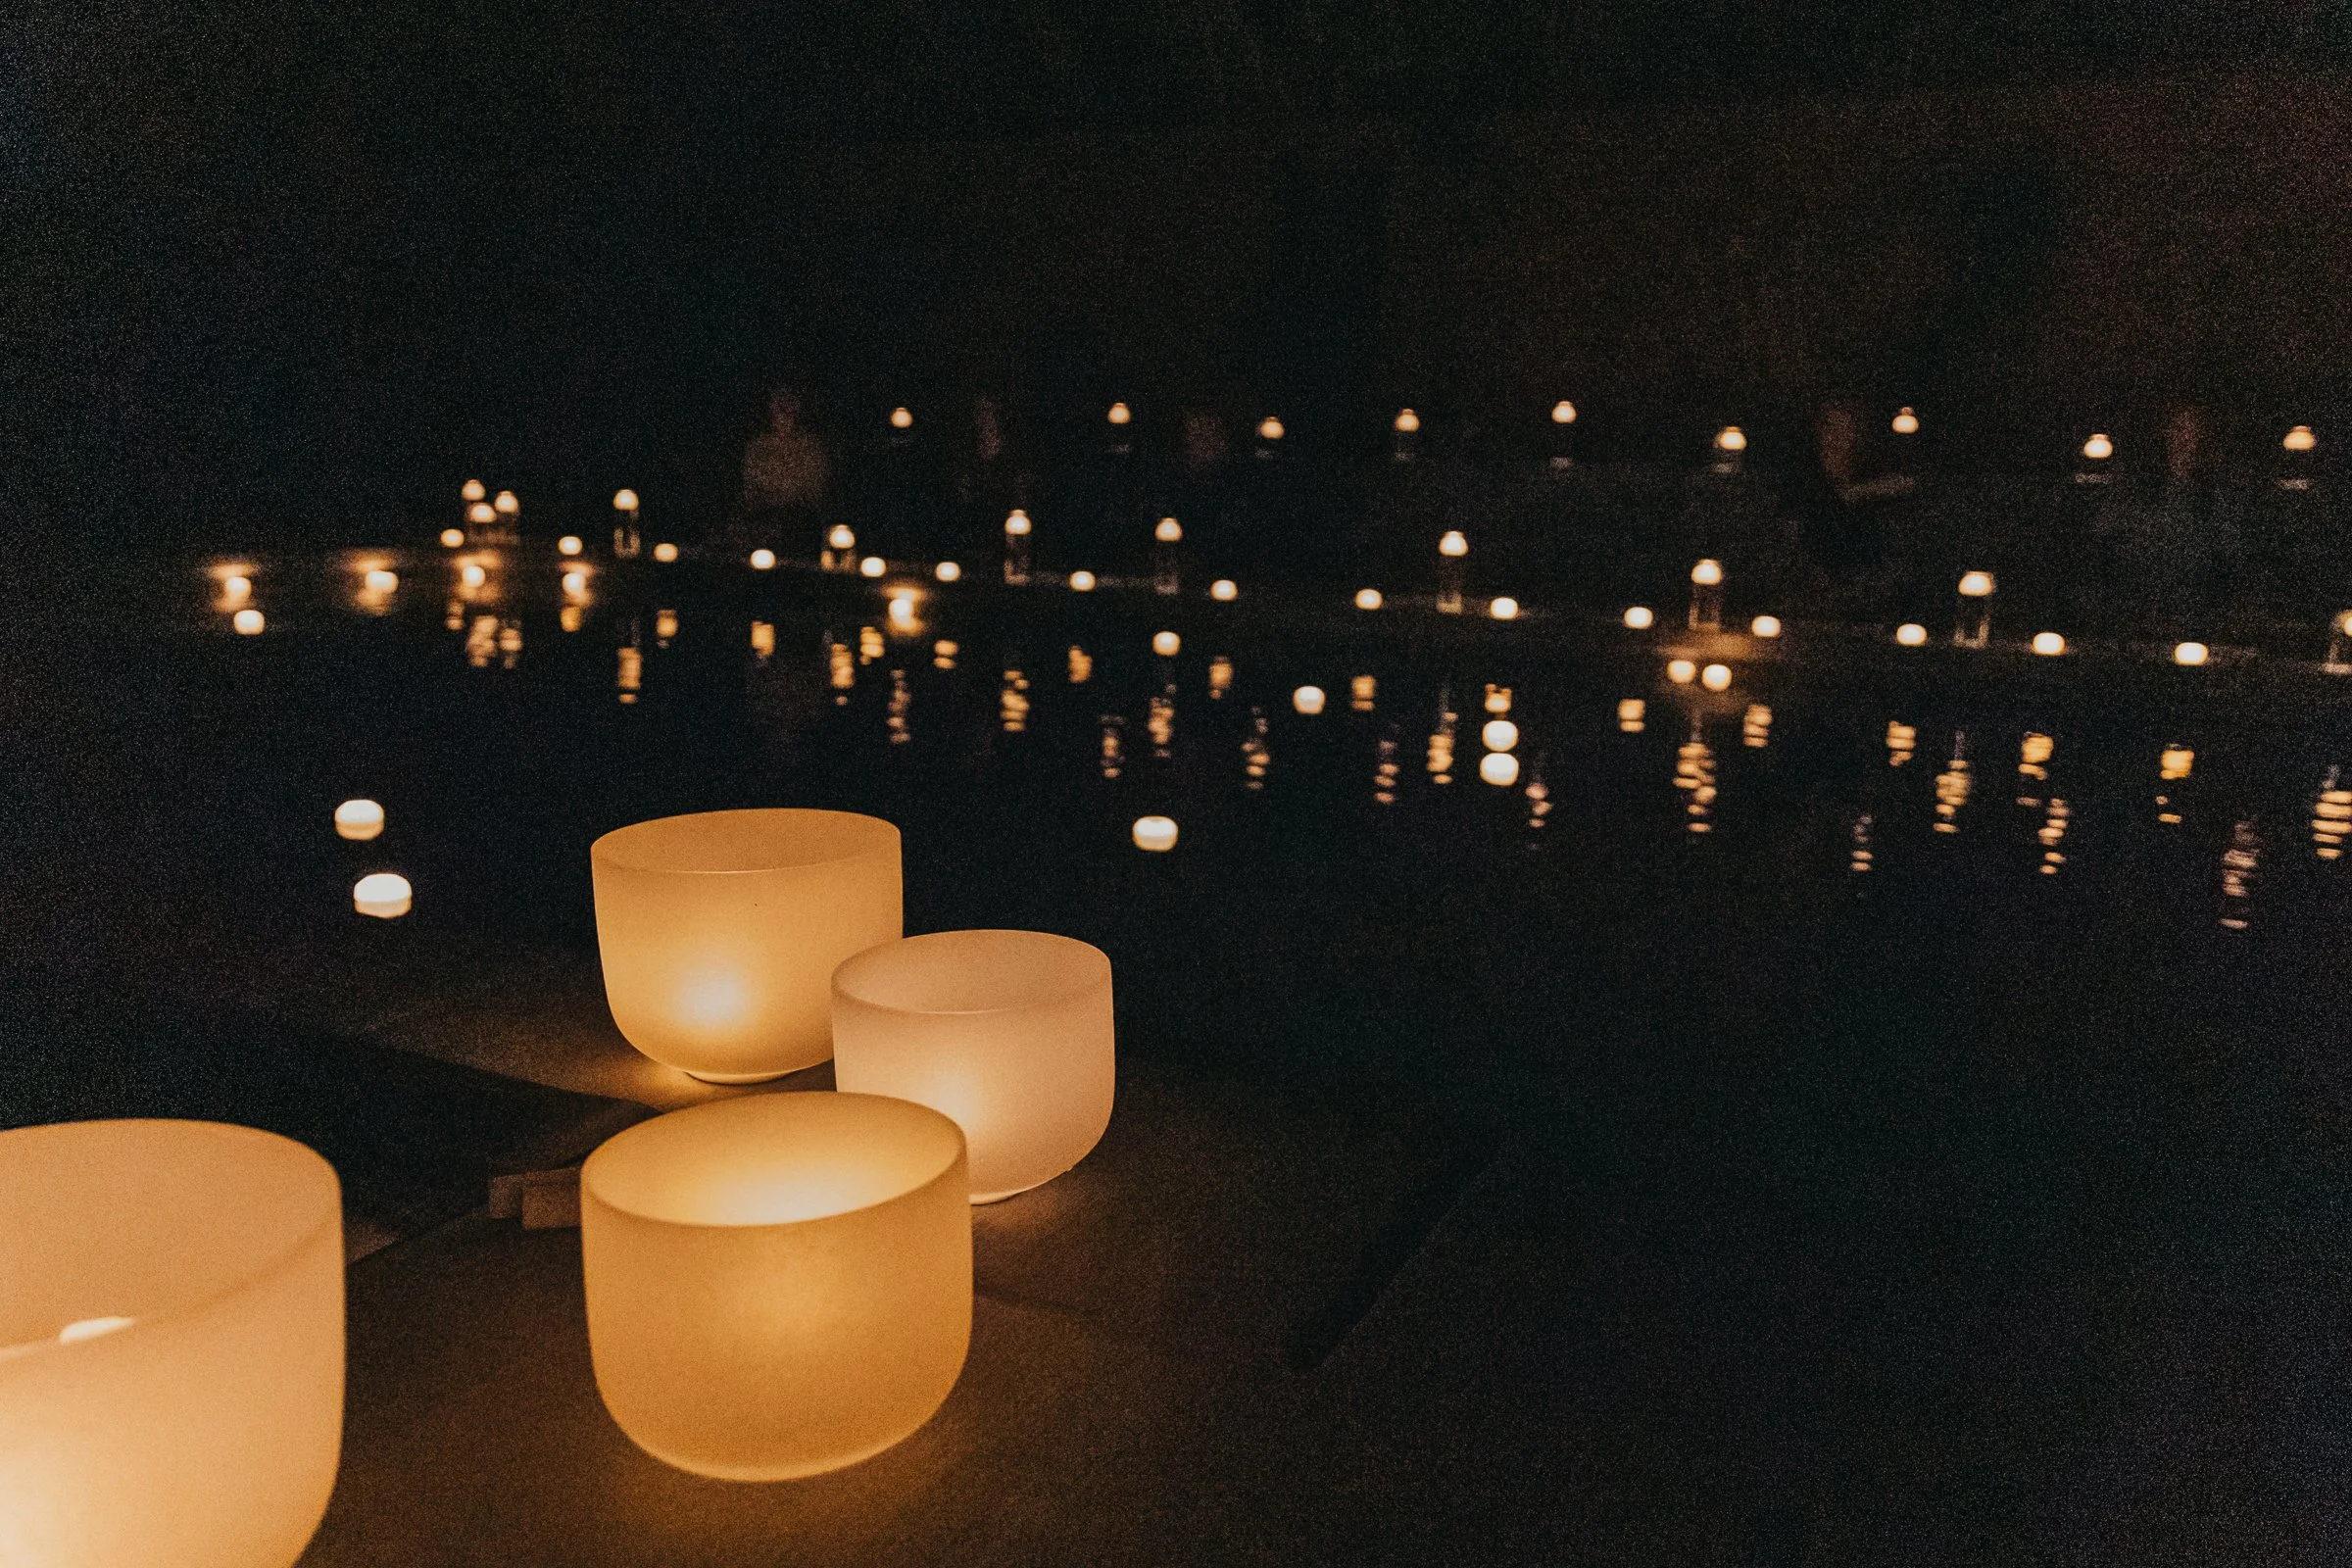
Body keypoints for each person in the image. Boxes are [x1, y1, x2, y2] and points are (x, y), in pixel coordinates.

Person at [736, 386, 830, 548]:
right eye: (778, 409)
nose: (783, 416)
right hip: (762, 519)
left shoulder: (810, 448)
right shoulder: (759, 447)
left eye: (788, 409)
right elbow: (749, 490)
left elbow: (813, 494)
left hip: (799, 521)